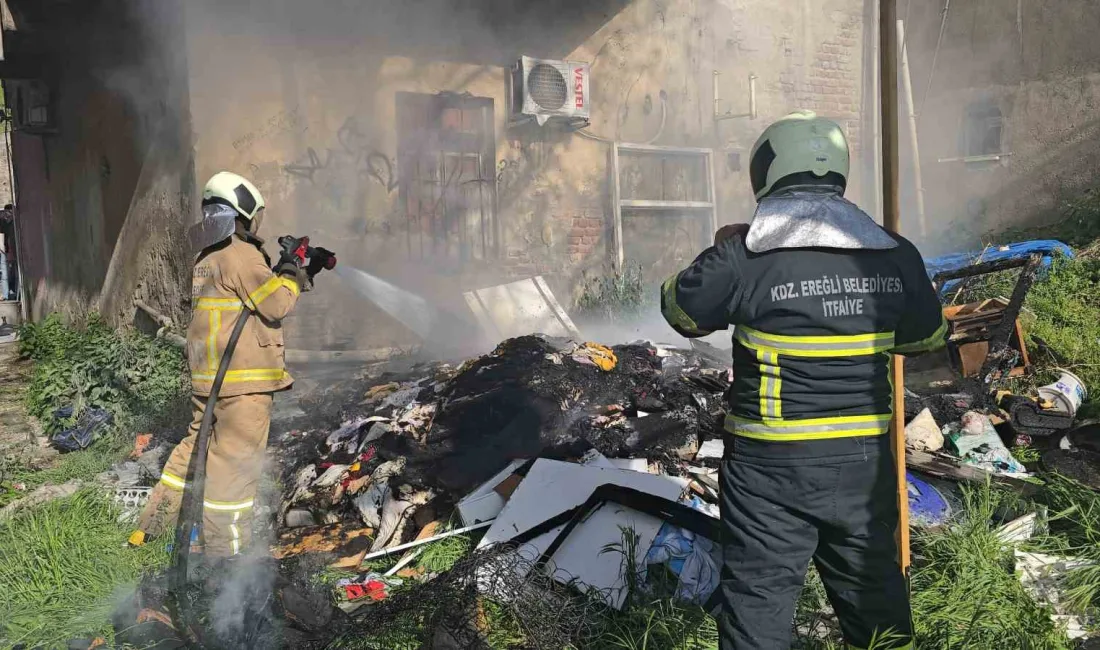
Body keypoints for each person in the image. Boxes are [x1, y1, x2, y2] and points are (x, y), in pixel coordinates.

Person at [661, 111, 946, 650]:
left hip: (771, 472)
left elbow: (679, 309)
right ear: (836, 169)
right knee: (877, 599)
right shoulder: (895, 252)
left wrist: (723, 247)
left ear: (766, 169)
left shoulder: (744, 254)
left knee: (757, 607)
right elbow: (926, 340)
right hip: (864, 464)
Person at [131, 171, 317, 558]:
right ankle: (226, 559)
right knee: (233, 468)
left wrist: (291, 270)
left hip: (210, 380)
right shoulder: (243, 256)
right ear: (244, 212)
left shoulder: (207, 257)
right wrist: (290, 272)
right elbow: (275, 304)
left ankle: (148, 529)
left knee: (191, 451)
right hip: (242, 386)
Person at [0, 204, 13, 301]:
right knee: (4, 272)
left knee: (6, 272)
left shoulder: (10, 223)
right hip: (3, 250)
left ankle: (6, 294)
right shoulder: (3, 222)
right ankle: (5, 294)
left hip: (6, 250)